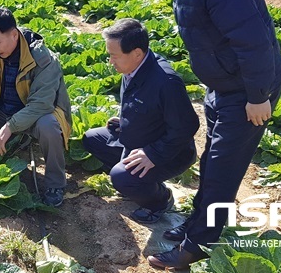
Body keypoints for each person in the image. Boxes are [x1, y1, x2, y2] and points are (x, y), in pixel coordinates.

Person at [130, 0, 281, 268]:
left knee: (221, 169)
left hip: (248, 90)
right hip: (224, 86)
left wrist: (258, 95)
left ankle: (197, 246)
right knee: (212, 162)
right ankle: (197, 225)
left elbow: (253, 41)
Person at [0, 7, 72, 207]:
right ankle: (11, 143)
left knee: (49, 127)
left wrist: (8, 128)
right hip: (4, 114)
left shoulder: (43, 59)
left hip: (36, 116)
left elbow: (41, 104)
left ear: (14, 35)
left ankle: (55, 184)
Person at [83, 18, 199, 224]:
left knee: (120, 177)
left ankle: (159, 200)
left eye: (114, 56)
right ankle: (134, 182)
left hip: (170, 152)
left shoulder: (166, 82)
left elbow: (187, 127)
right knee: (92, 139)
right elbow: (145, 106)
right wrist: (126, 120)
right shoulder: (132, 67)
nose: (111, 61)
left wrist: (153, 154)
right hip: (137, 137)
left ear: (137, 53)